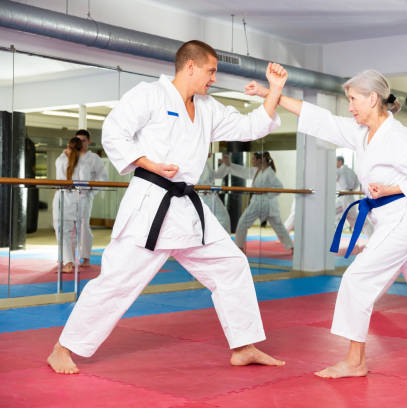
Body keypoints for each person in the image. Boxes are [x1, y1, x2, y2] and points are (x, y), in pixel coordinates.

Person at [47, 40, 287, 374]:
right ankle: (63, 348)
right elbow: (115, 133)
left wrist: (274, 90)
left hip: (188, 209)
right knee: (117, 282)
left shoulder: (207, 107)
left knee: (232, 265)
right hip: (151, 205)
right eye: (211, 71)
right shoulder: (150, 95)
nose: (213, 78)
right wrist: (149, 162)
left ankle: (244, 346)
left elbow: (250, 126)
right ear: (190, 66)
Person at [245, 69, 407, 378]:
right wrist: (270, 94)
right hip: (390, 219)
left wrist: (392, 188)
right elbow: (319, 118)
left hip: (404, 218)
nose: (349, 107)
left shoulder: (399, 138)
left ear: (373, 99)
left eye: (353, 99)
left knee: (356, 280)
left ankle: (355, 361)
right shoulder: (361, 132)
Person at [227, 152, 294, 253]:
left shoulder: (269, 172)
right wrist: (230, 165)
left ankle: (291, 247)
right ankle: (239, 247)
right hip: (256, 202)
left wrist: (265, 191)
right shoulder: (256, 171)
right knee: (242, 223)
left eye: (254, 159)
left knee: (278, 227)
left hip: (267, 203)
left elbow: (280, 188)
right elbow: (243, 171)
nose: (252, 161)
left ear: (260, 160)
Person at [52, 137, 91, 273]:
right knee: (69, 232)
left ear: (68, 147)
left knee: (62, 230)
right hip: (75, 199)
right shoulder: (83, 164)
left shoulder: (61, 160)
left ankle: (68, 263)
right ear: (81, 149)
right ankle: (68, 261)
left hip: (61, 197)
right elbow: (84, 186)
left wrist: (64, 153)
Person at [74, 129, 109, 267]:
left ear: (88, 141)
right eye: (78, 140)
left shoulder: (94, 158)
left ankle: (85, 257)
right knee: (69, 226)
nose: (81, 143)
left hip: (85, 195)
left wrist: (91, 192)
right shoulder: (71, 156)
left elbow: (103, 178)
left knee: (83, 225)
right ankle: (68, 258)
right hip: (69, 195)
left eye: (83, 140)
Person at [197, 153, 231, 232]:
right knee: (201, 224)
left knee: (223, 219)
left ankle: (222, 242)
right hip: (202, 196)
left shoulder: (205, 162)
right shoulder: (195, 161)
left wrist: (225, 164)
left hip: (210, 196)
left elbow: (216, 175)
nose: (210, 153)